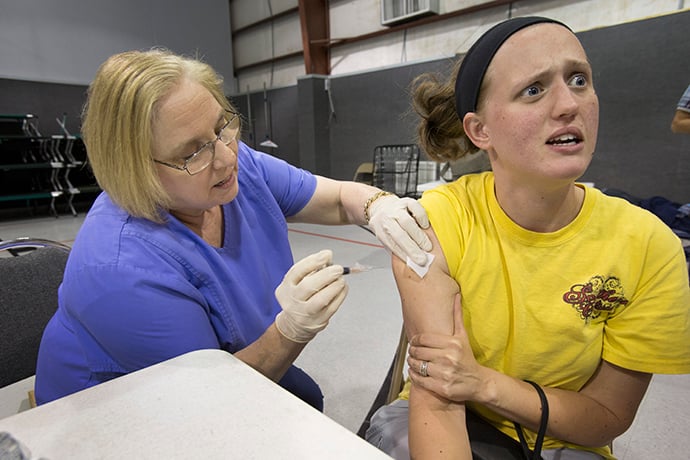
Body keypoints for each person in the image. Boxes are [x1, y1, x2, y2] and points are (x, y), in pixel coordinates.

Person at [34, 48, 434, 408]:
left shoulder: (234, 167)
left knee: (304, 399)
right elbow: (211, 398)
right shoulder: (123, 270)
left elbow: (334, 198)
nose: (226, 157)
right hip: (126, 413)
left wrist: (378, 206)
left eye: (222, 126)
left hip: (223, 366)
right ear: (136, 169)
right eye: (192, 151)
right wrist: (290, 330)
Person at [366, 17, 690, 460]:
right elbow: (437, 399)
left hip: (564, 437)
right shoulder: (438, 220)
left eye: (579, 80)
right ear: (480, 131)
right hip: (451, 418)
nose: (568, 104)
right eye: (533, 89)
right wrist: (466, 387)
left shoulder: (649, 245)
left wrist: (484, 382)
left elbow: (606, 416)